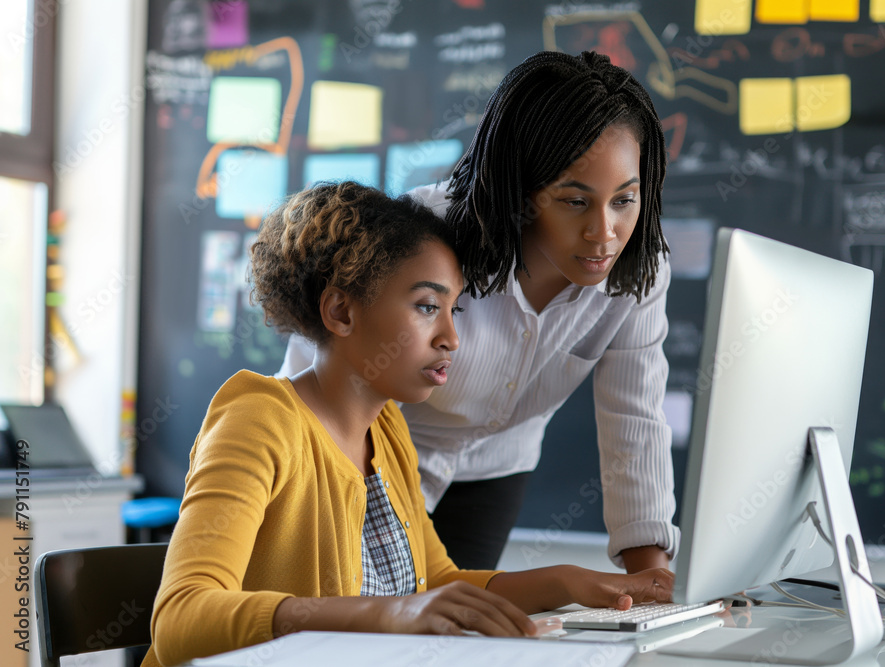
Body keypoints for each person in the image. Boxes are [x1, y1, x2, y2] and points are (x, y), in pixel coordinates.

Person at [143, 181, 674, 667]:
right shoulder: (259, 418)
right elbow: (180, 621)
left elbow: (439, 581)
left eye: (455, 311)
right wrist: (387, 615)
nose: (451, 338)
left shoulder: (388, 429)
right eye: (426, 307)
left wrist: (569, 581)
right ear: (341, 313)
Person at [278, 50, 679, 575]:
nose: (604, 234)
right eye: (575, 202)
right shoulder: (421, 240)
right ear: (522, 189)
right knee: (351, 628)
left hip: (497, 462)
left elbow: (636, 417)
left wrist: (652, 578)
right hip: (370, 455)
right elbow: (323, 377)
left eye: (624, 201)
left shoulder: (637, 271)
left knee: (452, 637)